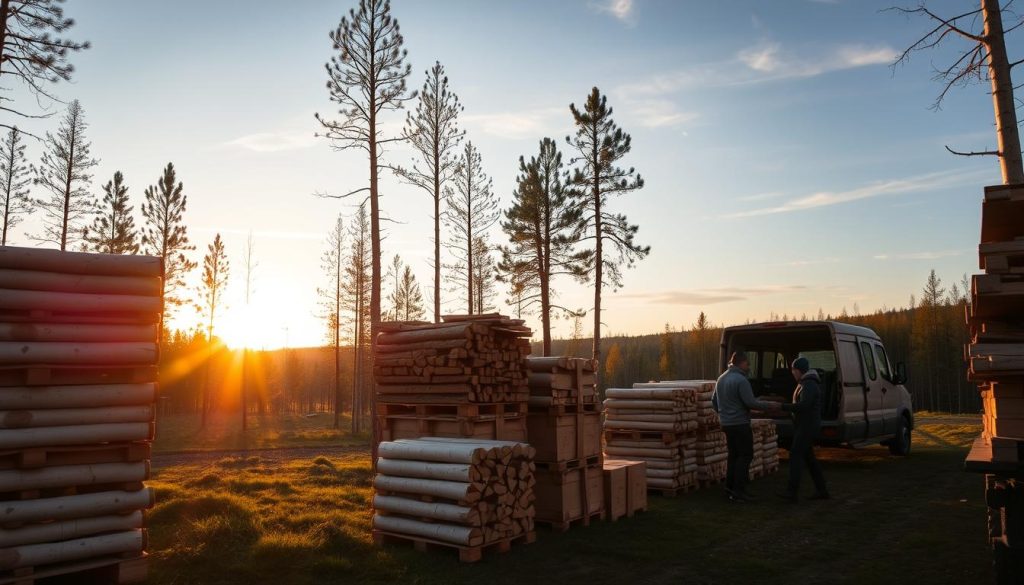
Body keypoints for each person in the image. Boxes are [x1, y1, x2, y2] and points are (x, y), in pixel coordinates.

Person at [712, 351, 779, 502]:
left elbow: (713, 401)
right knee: (745, 455)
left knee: (733, 456)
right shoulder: (741, 380)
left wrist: (723, 413)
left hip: (727, 424)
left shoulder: (721, 379)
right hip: (740, 424)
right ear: (741, 363)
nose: (748, 366)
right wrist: (770, 406)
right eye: (747, 363)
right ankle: (739, 491)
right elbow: (751, 403)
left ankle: (729, 487)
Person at [778, 356, 829, 503]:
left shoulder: (809, 385)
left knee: (795, 455)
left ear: (799, 370)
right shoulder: (805, 383)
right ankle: (822, 490)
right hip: (805, 425)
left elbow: (804, 406)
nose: (792, 373)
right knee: (809, 459)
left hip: (807, 426)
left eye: (793, 370)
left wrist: (783, 407)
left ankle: (791, 492)